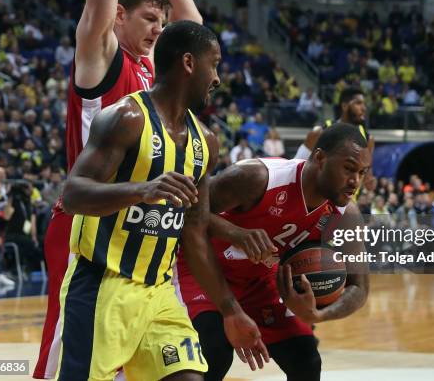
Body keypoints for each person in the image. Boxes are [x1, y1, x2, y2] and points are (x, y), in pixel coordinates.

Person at [57, 21, 265, 380]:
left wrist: (230, 309)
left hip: (159, 293)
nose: (217, 77)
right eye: (213, 63)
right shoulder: (126, 118)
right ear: (188, 63)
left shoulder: (206, 143)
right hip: (102, 286)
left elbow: (195, 232)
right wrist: (142, 190)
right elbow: (73, 194)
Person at [34, 0, 204, 379]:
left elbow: (193, 32)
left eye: (161, 22)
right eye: (148, 19)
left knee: (137, 360)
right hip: (88, 223)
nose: (158, 29)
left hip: (143, 231)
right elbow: (97, 3)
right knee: (67, 354)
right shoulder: (101, 57)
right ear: (119, 16)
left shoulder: (152, 71)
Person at [177, 123, 373, 381]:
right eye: (349, 169)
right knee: (214, 352)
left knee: (306, 361)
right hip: (202, 271)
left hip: (259, 282)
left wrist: (318, 315)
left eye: (362, 173)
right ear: (320, 158)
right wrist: (235, 233)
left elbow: (360, 287)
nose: (355, 182)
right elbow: (185, 211)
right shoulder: (257, 177)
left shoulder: (346, 215)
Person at [295, 87, 374, 197]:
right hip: (320, 201)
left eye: (364, 104)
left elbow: (367, 175)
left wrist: (369, 180)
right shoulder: (319, 132)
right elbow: (296, 166)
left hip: (347, 204)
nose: (364, 108)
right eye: (358, 103)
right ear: (345, 106)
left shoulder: (368, 139)